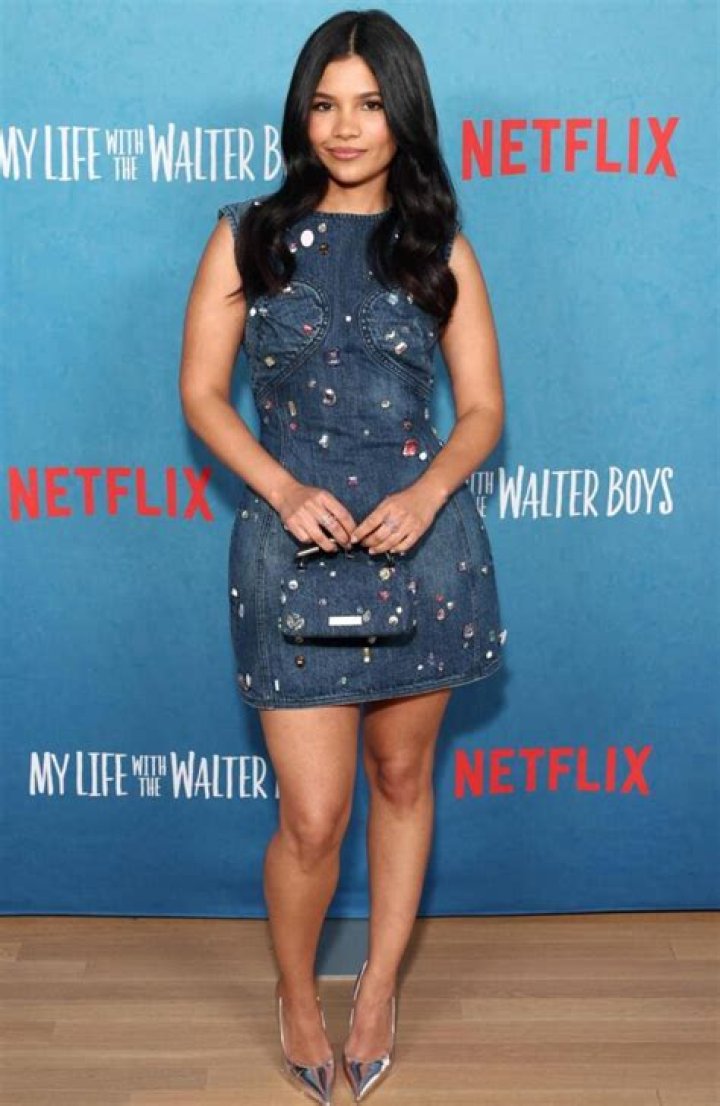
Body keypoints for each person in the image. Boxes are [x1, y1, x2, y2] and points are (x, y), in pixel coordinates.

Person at [179, 9, 506, 1102]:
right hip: (291, 549)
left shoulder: (438, 248)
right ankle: (295, 992)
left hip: (422, 547)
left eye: (368, 104)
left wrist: (425, 493)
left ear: (403, 115)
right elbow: (201, 392)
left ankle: (375, 991)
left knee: (403, 779)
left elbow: (482, 410)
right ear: (300, 115)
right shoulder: (248, 238)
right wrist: (280, 489)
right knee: (313, 817)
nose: (346, 126)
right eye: (325, 103)